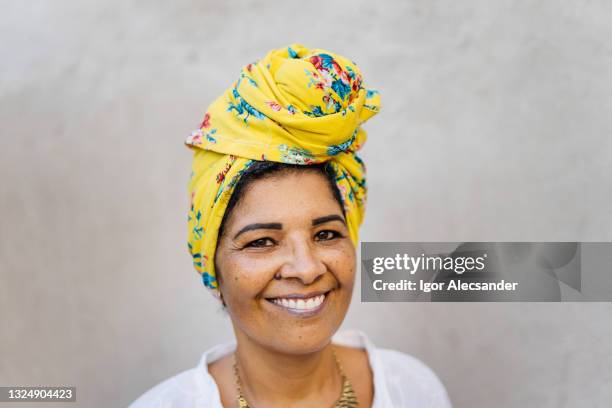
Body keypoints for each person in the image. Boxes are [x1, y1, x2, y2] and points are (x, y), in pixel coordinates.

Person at [130, 44, 451, 407]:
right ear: (211, 264)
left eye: (326, 234)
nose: (307, 268)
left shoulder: (411, 389)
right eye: (263, 241)